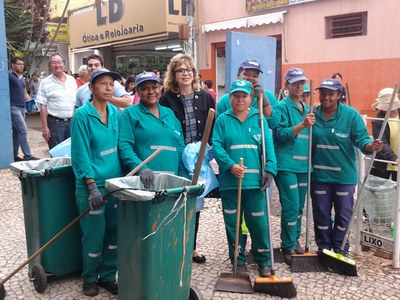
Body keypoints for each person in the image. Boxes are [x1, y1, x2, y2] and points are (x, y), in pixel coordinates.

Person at [212, 79, 277, 277]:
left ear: (250, 98)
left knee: (259, 223)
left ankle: (263, 260)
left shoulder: (259, 118)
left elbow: (269, 148)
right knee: (233, 224)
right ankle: (237, 260)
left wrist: (270, 171)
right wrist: (230, 166)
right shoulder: (223, 119)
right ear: (230, 97)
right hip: (231, 184)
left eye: (244, 96)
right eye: (236, 95)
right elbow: (217, 146)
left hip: (255, 184)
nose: (240, 99)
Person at [311, 78, 383, 254]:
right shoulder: (312, 114)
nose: (326, 97)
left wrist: (371, 146)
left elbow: (362, 139)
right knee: (321, 215)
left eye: (331, 94)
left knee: (343, 216)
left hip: (344, 177)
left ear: (339, 95)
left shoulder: (351, 115)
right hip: (319, 176)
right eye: (323, 93)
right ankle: (324, 248)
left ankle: (340, 249)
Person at [71, 69, 123, 297]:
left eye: (111, 84)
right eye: (103, 84)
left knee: (113, 234)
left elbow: (121, 147)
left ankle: (108, 276)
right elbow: (80, 153)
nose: (109, 88)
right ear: (91, 88)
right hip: (92, 187)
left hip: (114, 185)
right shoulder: (82, 115)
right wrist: (91, 186)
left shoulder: (115, 113)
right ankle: (90, 277)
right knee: (93, 235)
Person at [159, 53, 215, 264]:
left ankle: (191, 247)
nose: (185, 74)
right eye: (180, 70)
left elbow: (213, 124)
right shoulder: (166, 98)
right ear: (173, 74)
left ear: (194, 73)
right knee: (174, 199)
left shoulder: (205, 97)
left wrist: (208, 148)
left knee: (195, 201)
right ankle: (172, 243)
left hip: (198, 159)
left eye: (188, 69)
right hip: (176, 156)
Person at [274, 68, 315, 265]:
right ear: (287, 85)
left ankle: (295, 240)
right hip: (287, 165)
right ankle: (288, 244)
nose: (299, 86)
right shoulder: (282, 107)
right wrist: (301, 126)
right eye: (295, 83)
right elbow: (279, 135)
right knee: (290, 206)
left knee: (299, 207)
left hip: (304, 166)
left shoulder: (308, 109)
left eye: (302, 83)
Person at [119, 71, 187, 184]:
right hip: (146, 182)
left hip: (172, 181)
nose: (151, 92)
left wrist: (183, 177)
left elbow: (180, 147)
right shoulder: (130, 114)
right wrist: (140, 168)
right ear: (138, 92)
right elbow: (125, 146)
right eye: (145, 89)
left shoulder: (169, 113)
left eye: (155, 87)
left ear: (160, 89)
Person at [216, 59, 280, 130]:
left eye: (255, 76)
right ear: (238, 76)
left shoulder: (268, 96)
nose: (250, 78)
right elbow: (218, 129)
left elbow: (274, 123)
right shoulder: (225, 100)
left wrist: (264, 100)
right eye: (246, 74)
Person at [36, 53, 77, 149]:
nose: (57, 65)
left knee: (73, 151)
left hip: (72, 122)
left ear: (64, 65)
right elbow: (43, 106)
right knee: (57, 153)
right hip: (55, 124)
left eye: (59, 62)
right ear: (50, 67)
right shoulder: (45, 82)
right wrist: (45, 128)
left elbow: (76, 102)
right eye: (54, 63)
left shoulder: (71, 80)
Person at [8, 57, 39, 161]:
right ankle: (28, 155)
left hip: (22, 107)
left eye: (22, 64)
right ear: (13, 65)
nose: (22, 66)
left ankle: (14, 155)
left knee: (16, 131)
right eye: (19, 64)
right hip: (13, 107)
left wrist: (32, 104)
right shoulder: (8, 75)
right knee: (23, 130)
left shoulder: (21, 77)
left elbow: (24, 92)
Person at [370, 88, 400, 181]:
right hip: (383, 163)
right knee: (379, 193)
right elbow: (382, 142)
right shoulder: (378, 121)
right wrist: (394, 159)